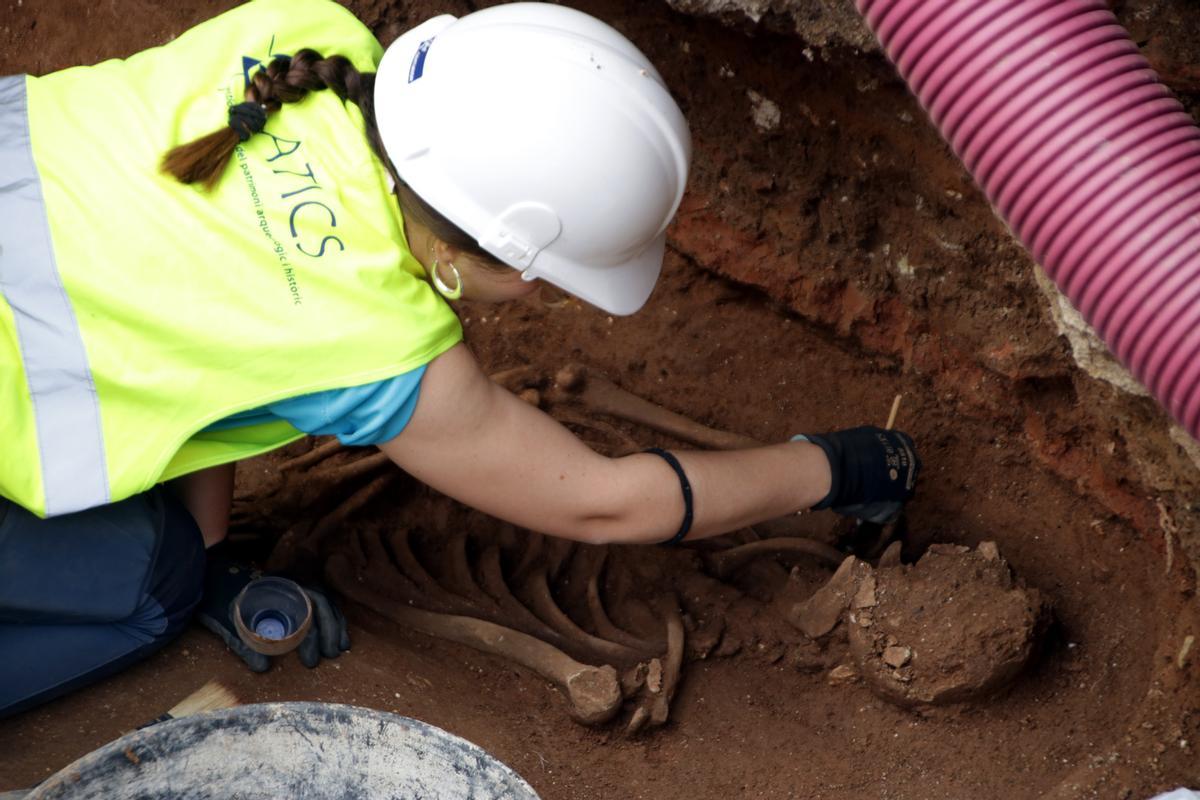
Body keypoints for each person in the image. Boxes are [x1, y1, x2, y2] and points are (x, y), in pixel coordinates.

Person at [0, 0, 920, 717]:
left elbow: (214, 286)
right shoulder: (381, 349)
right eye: (550, 276)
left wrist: (210, 542)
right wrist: (835, 467)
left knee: (179, 548)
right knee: (153, 586)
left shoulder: (299, 38)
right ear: (486, 254)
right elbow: (608, 502)